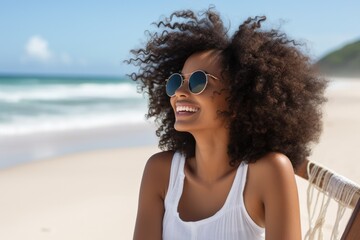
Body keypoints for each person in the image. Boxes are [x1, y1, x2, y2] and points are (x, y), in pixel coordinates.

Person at [127, 8, 327, 240]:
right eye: (176, 82)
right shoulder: (160, 171)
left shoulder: (269, 172)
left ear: (240, 98)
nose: (179, 93)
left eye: (198, 81)